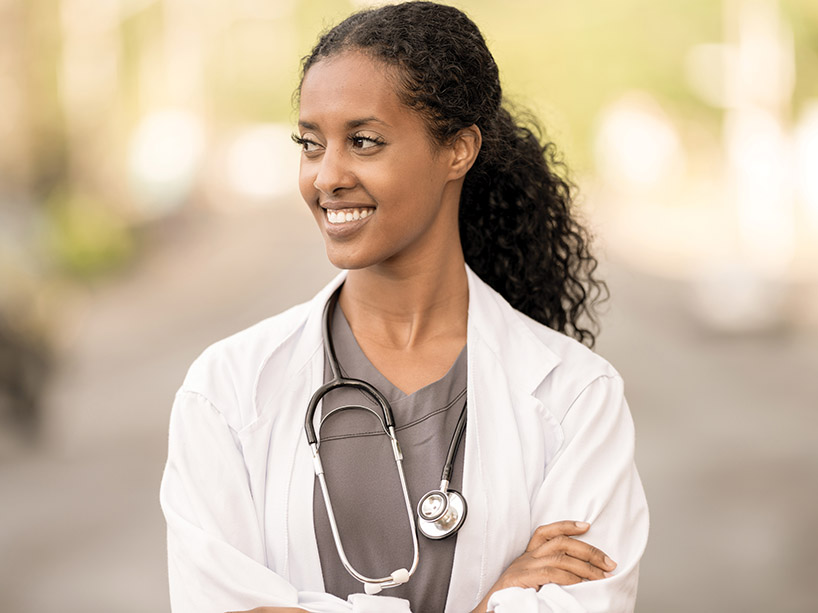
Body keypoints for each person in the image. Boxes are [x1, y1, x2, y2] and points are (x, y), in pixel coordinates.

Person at [159, 2, 649, 612]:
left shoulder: (576, 397)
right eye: (311, 144)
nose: (326, 176)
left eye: (363, 142)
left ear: (458, 150)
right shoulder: (228, 390)